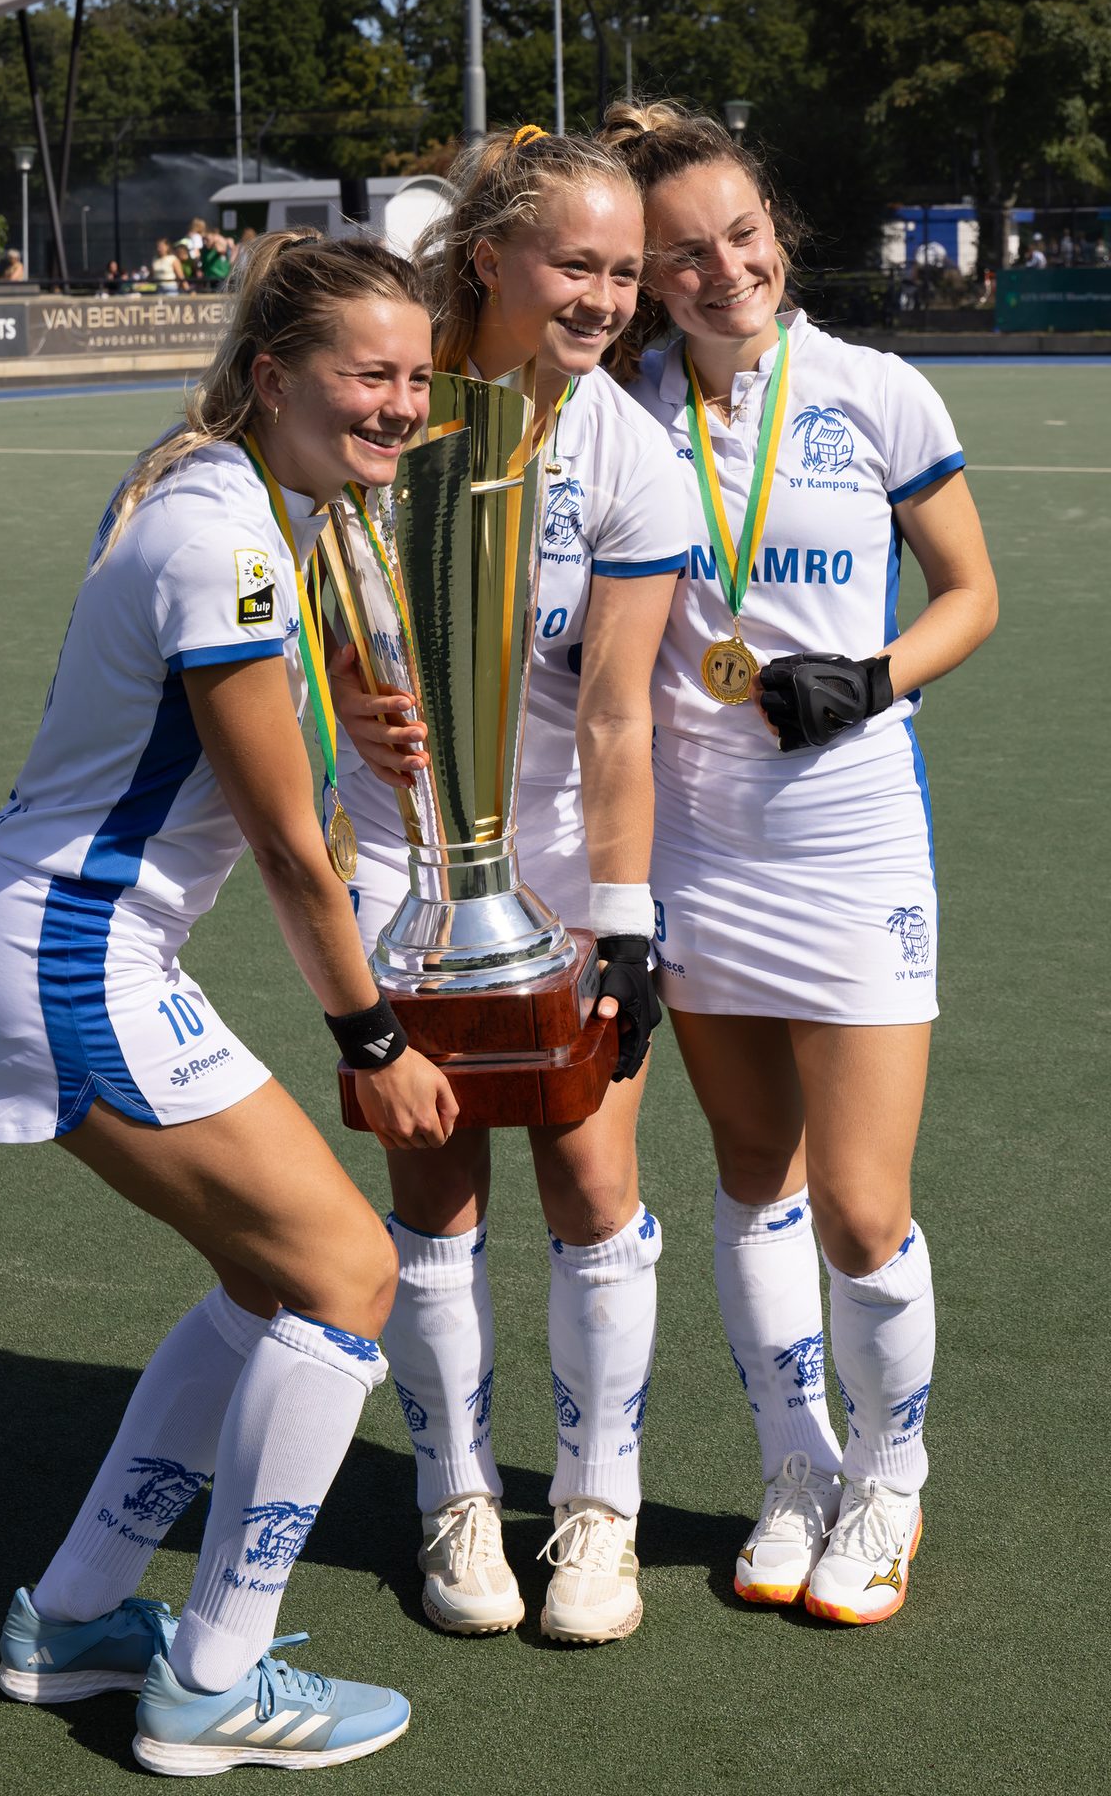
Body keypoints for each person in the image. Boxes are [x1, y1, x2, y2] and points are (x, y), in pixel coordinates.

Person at [0, 232, 457, 1773]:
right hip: (72, 954)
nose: (399, 404)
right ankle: (211, 1680)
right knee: (351, 1274)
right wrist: (373, 1038)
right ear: (274, 373)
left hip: (47, 941)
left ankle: (78, 1618)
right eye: (366, 373)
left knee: (271, 1282)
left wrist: (329, 701)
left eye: (416, 375)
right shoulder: (225, 537)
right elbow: (288, 845)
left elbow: (209, 725)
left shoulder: (216, 495)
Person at [601, 100, 998, 1624]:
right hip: (695, 848)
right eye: (685, 255)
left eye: (742, 238)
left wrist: (877, 675)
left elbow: (969, 592)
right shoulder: (620, 404)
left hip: (851, 844)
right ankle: (794, 1469)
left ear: (779, 233)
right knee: (751, 1179)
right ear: (649, 275)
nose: (723, 272)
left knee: (858, 1205)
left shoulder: (874, 391)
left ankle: (889, 1484)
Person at [329, 127, 686, 1644]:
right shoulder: (386, 395)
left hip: (553, 862)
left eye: (625, 270)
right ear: (489, 259)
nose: (605, 298)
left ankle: (599, 1510)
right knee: (436, 1188)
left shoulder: (626, 451)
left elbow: (615, 710)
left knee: (595, 1177)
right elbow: (297, 585)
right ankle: (456, 1494)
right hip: (399, 858)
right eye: (576, 266)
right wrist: (341, 685)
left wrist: (624, 919)